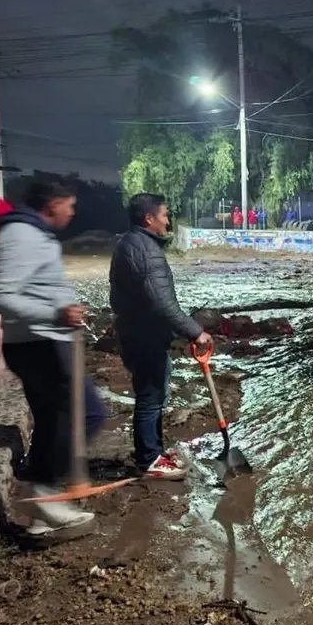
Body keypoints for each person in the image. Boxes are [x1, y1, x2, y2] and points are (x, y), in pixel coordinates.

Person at [0, 181, 108, 536]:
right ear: (52, 203)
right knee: (88, 414)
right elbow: (0, 297)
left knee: (52, 420)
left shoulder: (29, 234)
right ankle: (44, 492)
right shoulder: (23, 235)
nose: (72, 212)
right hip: (40, 343)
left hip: (39, 341)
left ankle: (40, 515)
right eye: (69, 205)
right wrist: (56, 313)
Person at [109, 193, 213, 480]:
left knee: (154, 393)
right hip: (145, 335)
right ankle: (149, 460)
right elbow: (162, 302)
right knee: (151, 397)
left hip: (134, 331)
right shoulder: (147, 251)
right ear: (149, 218)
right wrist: (195, 331)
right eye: (165, 215)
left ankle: (153, 452)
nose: (168, 220)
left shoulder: (128, 243)